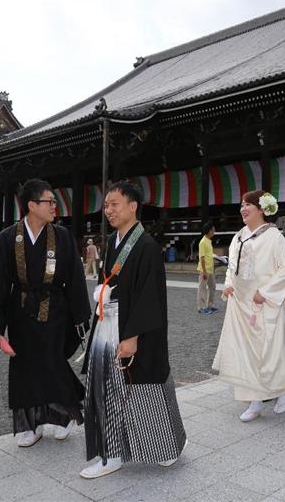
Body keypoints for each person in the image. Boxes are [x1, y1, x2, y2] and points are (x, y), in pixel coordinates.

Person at [80, 181, 186, 479]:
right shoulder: (115, 241)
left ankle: (167, 446)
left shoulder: (146, 246)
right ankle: (112, 453)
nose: (108, 210)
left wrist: (131, 337)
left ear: (133, 206)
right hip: (111, 325)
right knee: (110, 390)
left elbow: (148, 296)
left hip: (134, 332)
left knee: (145, 390)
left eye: (114, 204)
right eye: (106, 205)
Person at [0, 178, 90, 447]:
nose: (55, 206)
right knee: (24, 367)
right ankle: (30, 425)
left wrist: (80, 316)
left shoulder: (63, 236)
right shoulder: (8, 238)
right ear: (32, 205)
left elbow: (76, 279)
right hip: (20, 312)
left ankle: (63, 416)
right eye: (50, 201)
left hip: (55, 310)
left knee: (52, 361)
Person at [213, 190, 285, 422]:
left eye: (248, 204)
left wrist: (266, 292)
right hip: (241, 304)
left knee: (272, 351)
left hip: (264, 304)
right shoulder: (238, 237)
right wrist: (229, 284)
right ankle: (254, 401)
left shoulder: (274, 237)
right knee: (245, 353)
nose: (243, 209)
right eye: (241, 204)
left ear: (262, 209)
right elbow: (233, 266)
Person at [196, 221, 218, 314]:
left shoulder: (209, 241)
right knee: (202, 288)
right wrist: (204, 271)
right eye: (213, 230)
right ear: (209, 231)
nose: (214, 231)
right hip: (204, 270)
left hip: (210, 269)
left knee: (212, 287)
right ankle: (201, 307)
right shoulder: (203, 242)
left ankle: (210, 305)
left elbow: (208, 255)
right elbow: (202, 257)